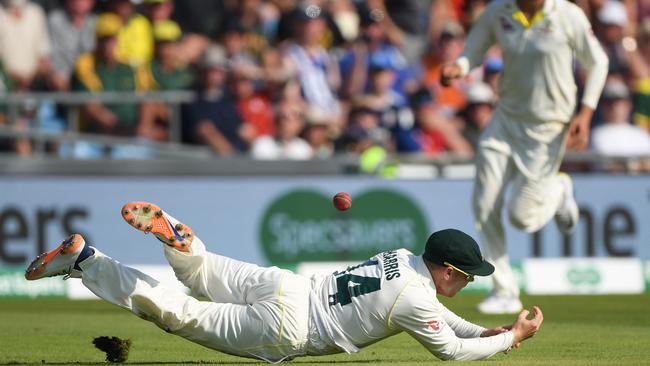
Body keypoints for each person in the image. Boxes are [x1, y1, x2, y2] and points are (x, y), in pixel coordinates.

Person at [25, 201, 543, 362]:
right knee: (180, 313)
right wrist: (509, 340)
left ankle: (183, 247)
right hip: (289, 325)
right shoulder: (414, 297)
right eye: (466, 275)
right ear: (447, 270)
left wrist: (491, 332)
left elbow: (447, 322)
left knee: (204, 274)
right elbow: (448, 350)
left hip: (288, 286)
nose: (468, 283)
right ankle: (88, 262)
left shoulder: (404, 259)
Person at [441, 0, 609, 314]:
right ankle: (504, 289)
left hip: (548, 127)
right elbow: (474, 49)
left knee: (522, 217)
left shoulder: (566, 14)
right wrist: (459, 67)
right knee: (484, 202)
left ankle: (558, 190)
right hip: (504, 120)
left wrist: (585, 114)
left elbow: (597, 62)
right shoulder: (499, 10)